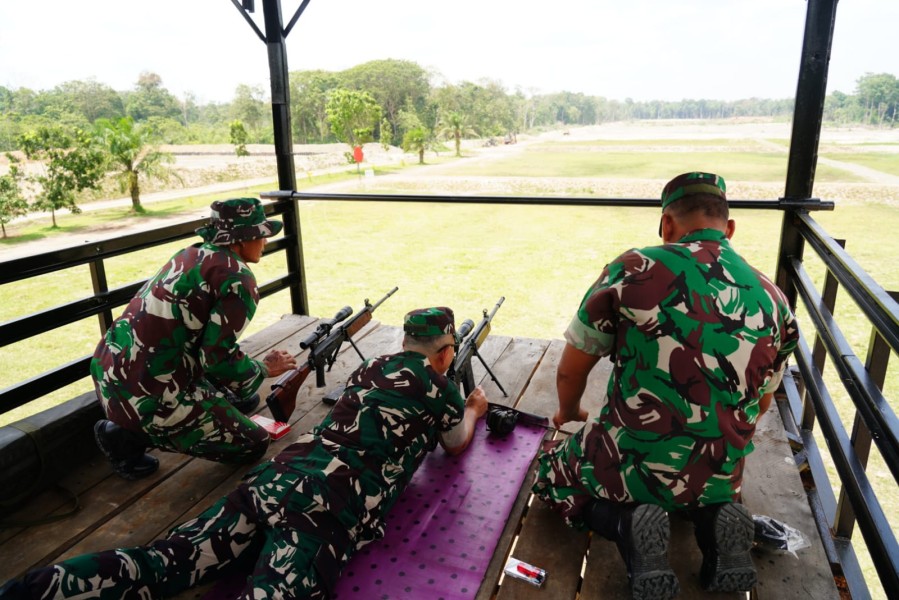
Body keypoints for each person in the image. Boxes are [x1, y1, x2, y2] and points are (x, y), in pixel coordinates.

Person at [1, 307, 489, 600]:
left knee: (164, 561)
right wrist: (472, 409)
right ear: (446, 352)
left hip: (276, 477)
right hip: (328, 506)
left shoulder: (372, 366)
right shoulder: (439, 386)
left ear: (405, 341)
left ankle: (28, 590)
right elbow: (454, 444)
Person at [532, 172, 799, 600]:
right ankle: (715, 518)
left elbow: (571, 370)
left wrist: (568, 413)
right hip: (720, 472)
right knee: (696, 484)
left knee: (549, 475)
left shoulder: (632, 269)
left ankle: (624, 523)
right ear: (729, 228)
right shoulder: (775, 298)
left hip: (629, 460)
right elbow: (763, 403)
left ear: (667, 224)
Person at [90, 197, 298, 480]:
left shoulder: (190, 254)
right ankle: (124, 436)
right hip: (147, 396)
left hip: (111, 371)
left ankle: (198, 407)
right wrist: (263, 369)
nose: (265, 241)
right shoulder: (238, 279)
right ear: (241, 239)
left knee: (245, 397)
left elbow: (198, 341)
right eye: (261, 234)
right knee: (254, 444)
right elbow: (216, 358)